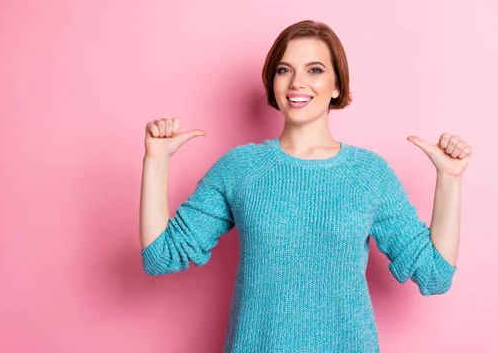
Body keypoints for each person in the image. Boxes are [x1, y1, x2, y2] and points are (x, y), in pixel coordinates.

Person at [139, 20, 473, 352]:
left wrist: (450, 179)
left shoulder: (369, 174)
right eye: (284, 70)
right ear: (273, 83)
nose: (297, 82)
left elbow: (434, 275)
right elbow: (162, 256)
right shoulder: (241, 168)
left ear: (337, 86)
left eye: (315, 70)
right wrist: (155, 162)